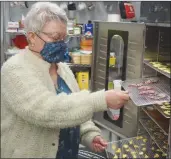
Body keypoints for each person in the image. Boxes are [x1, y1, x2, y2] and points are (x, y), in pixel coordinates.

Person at [1, 2, 129, 158]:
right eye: (55, 38)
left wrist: (89, 134)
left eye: (63, 37)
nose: (61, 43)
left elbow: (73, 105)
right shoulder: (15, 69)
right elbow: (47, 110)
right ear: (32, 36)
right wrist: (100, 99)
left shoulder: (62, 67)